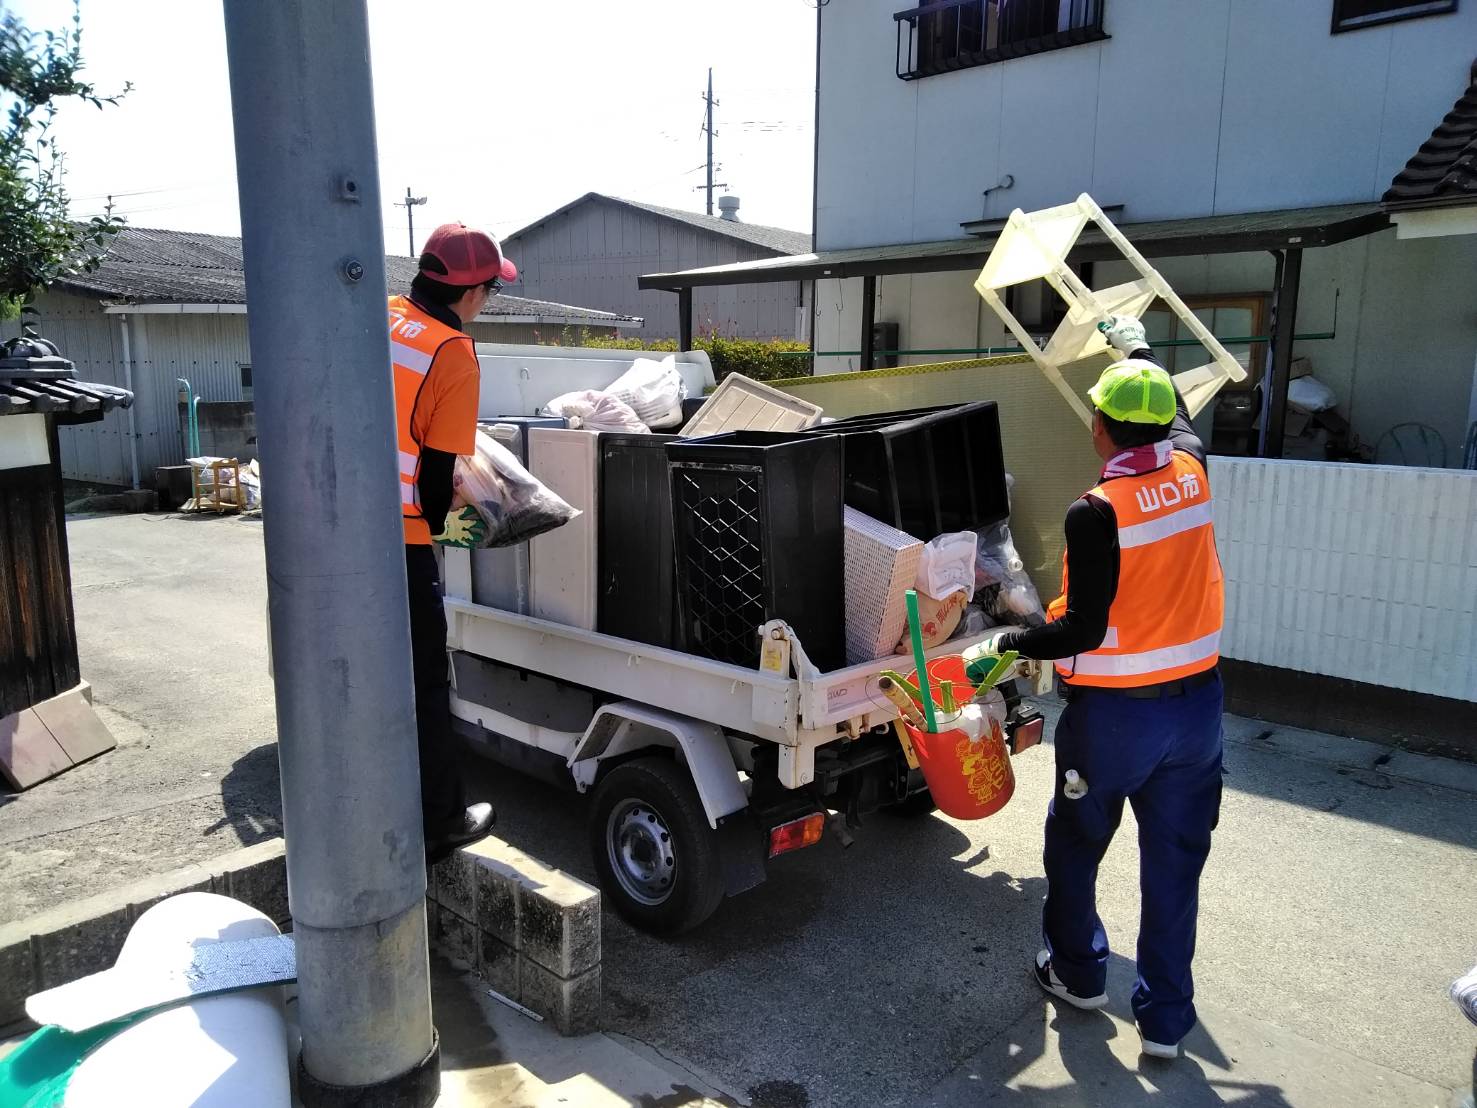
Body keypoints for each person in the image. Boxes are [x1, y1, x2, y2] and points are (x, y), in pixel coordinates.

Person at [984, 314, 1225, 1060]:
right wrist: (1139, 349)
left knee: (1077, 846)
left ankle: (1080, 974)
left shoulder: (1095, 513)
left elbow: (1081, 632)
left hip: (1115, 720)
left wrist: (1007, 644)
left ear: (1098, 427)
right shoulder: (1191, 467)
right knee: (1175, 865)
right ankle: (1164, 1025)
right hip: (1197, 715)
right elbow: (1178, 415)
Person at [389, 222, 517, 864]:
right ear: (473, 292)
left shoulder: (384, 316)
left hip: (341, 526)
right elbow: (436, 480)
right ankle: (441, 820)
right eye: (491, 290)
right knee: (424, 682)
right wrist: (468, 507)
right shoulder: (454, 354)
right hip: (401, 539)